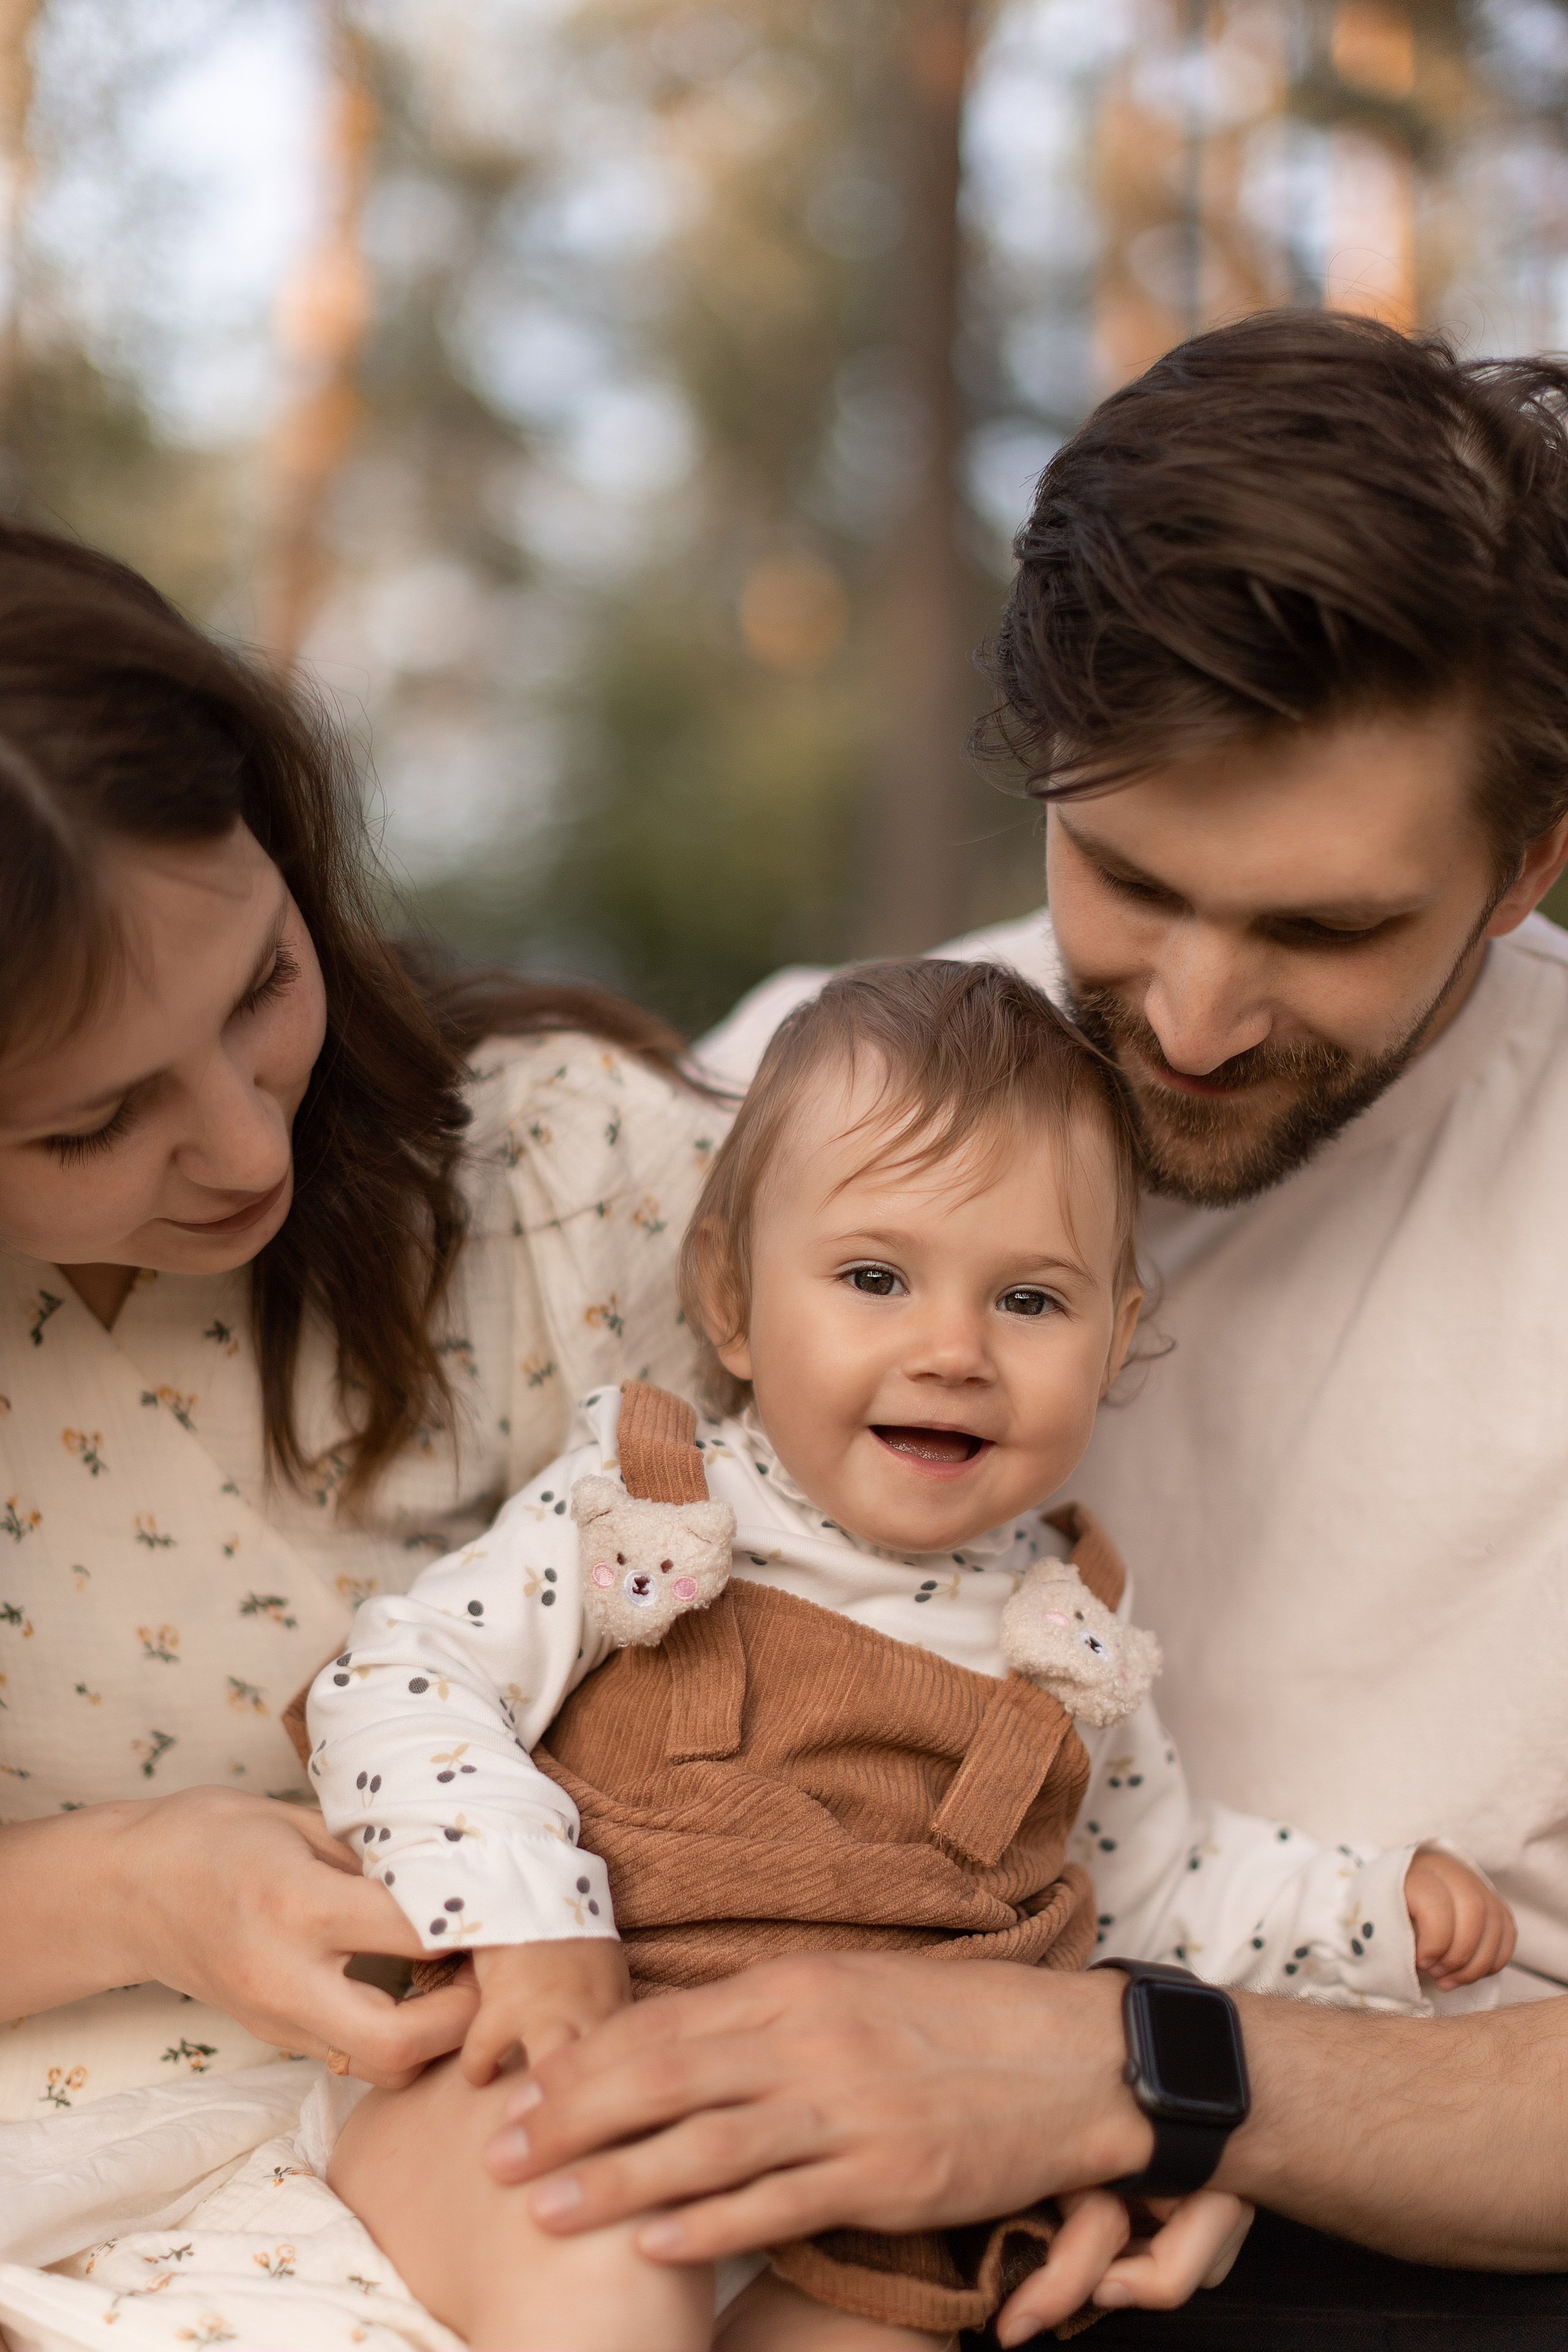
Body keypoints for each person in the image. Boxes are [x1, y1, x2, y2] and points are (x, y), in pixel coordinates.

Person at [470, 307, 1568, 2328]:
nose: (1191, 1020)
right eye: (1128, 876)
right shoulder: (813, 1097)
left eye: (1324, 929)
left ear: (1528, 866)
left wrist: (1142, 2089)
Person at [306, 959, 1507, 2351]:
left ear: (1115, 1339)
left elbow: (1152, 1883)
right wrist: (529, 1924)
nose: (951, 1349)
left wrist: (1360, 1909)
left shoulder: (1061, 1640)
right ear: (733, 1302)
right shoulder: (645, 1505)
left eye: (1030, 1302)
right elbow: (401, 1682)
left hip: (864, 2190)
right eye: (875, 1277)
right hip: (566, 2069)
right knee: (607, 2277)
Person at [0, 521, 726, 2351]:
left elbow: (893, 1638)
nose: (246, 1151)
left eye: (260, 990)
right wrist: (131, 1892)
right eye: (91, 1127)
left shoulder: (574, 1181)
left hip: (448, 2147)